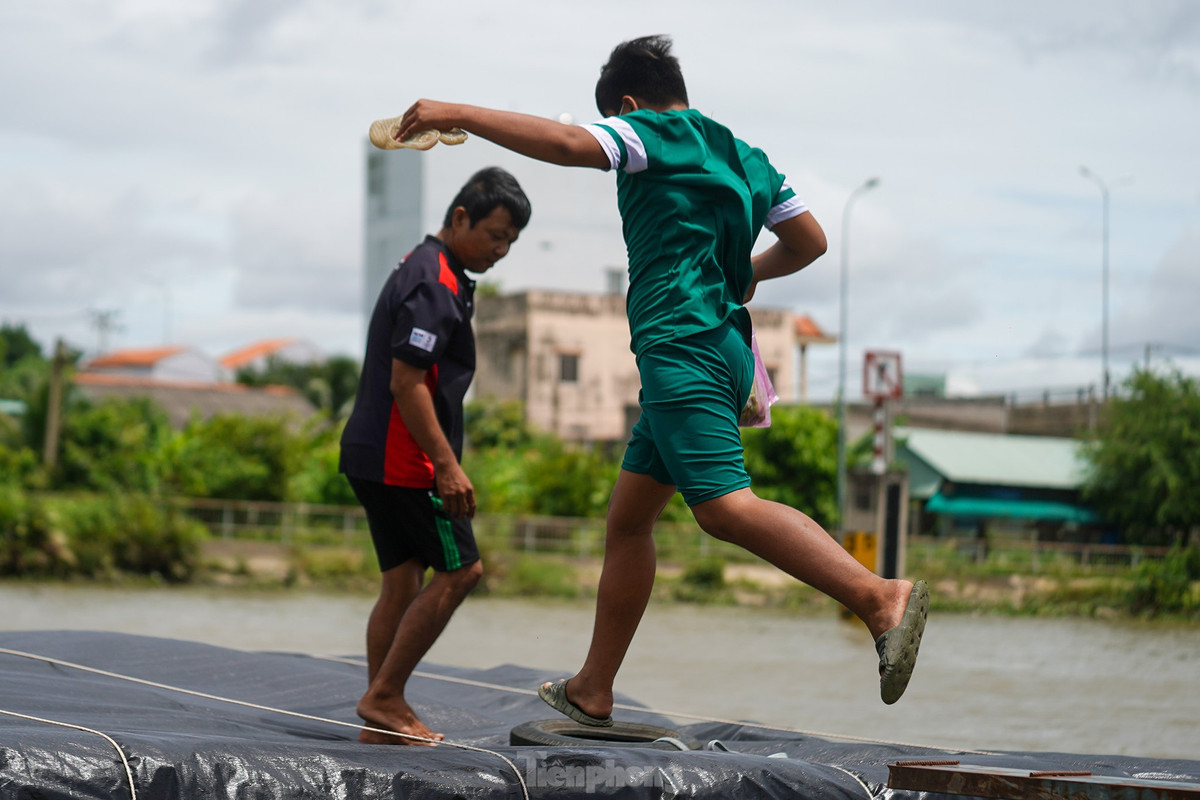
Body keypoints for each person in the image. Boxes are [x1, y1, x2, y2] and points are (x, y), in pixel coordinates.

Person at [387, 35, 928, 722]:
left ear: (630, 106)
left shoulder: (652, 133)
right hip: (724, 344)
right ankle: (592, 688)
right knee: (629, 523)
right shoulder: (745, 155)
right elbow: (810, 241)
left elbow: (563, 144)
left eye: (617, 121)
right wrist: (741, 275)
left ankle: (879, 598)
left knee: (724, 507)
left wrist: (452, 111)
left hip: (684, 346)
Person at [339, 166, 531, 744]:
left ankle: (381, 718)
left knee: (401, 583)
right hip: (406, 460)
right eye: (494, 235)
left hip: (371, 454)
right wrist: (447, 464)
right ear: (459, 218)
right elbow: (408, 382)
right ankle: (386, 696)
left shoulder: (434, 269)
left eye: (510, 243)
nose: (499, 250)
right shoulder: (434, 282)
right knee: (462, 569)